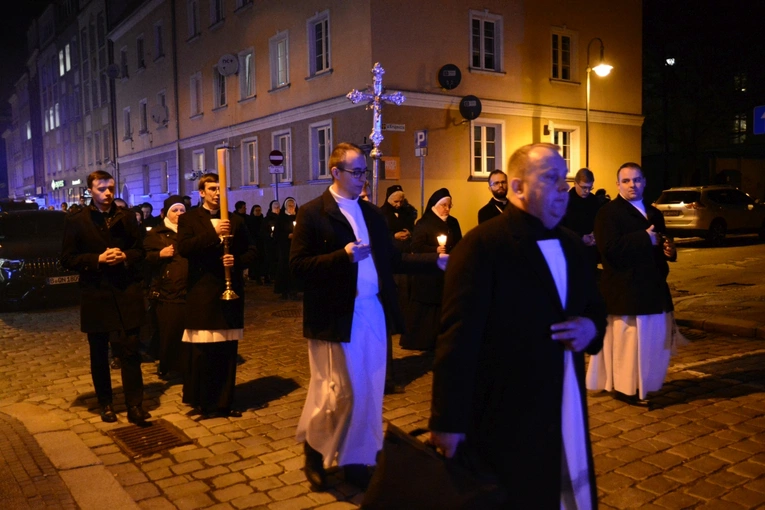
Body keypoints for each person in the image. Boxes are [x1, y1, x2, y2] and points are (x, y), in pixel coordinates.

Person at [429, 143, 606, 509]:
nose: (563, 188)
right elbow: (457, 338)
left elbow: (595, 308)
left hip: (565, 398)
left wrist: (591, 328)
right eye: (550, 178)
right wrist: (447, 421)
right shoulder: (482, 246)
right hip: (506, 413)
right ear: (518, 187)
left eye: (565, 179)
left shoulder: (573, 245)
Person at [290, 142, 447, 491]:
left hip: (371, 311)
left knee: (370, 390)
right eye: (357, 171)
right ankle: (315, 451)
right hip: (335, 317)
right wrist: (341, 256)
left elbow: (394, 260)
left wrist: (435, 263)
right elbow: (296, 267)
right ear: (336, 172)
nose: (364, 178)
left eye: (365, 171)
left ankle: (356, 458)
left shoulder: (372, 214)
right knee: (337, 392)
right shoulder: (314, 213)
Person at [61, 170, 149, 425]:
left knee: (131, 349)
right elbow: (67, 259)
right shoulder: (77, 220)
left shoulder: (127, 217)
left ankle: (135, 404)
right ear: (90, 190)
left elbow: (139, 251)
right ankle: (106, 403)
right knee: (99, 352)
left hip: (126, 291)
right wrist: (96, 259)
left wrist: (125, 256)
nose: (107, 193)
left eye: (110, 188)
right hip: (96, 293)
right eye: (101, 189)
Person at [586, 162, 678, 406]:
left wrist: (669, 249)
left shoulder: (654, 212)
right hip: (625, 289)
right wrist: (643, 238)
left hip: (653, 288)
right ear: (618, 184)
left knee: (651, 343)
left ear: (644, 182)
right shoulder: (608, 212)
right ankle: (624, 389)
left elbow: (661, 241)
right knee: (628, 345)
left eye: (636, 180)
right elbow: (608, 249)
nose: (632, 185)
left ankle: (645, 383)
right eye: (626, 181)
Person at [177, 173, 255, 418]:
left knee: (226, 350)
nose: (217, 192)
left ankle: (224, 402)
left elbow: (253, 250)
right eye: (211, 188)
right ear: (202, 192)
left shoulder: (236, 220)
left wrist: (238, 260)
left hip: (229, 291)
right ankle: (202, 401)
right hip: (202, 290)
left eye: (220, 188)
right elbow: (185, 248)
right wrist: (213, 233)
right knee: (203, 350)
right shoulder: (190, 219)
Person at [400, 188, 462, 351]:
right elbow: (416, 246)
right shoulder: (424, 223)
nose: (447, 209)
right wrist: (435, 250)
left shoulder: (453, 223)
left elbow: (459, 243)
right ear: (435, 206)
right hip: (428, 273)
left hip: (447, 271)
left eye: (449, 205)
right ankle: (423, 341)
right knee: (427, 309)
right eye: (443, 205)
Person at [144, 196, 188, 379]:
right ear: (166, 213)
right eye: (175, 210)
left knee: (186, 329)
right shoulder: (156, 233)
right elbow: (143, 258)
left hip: (188, 286)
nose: (179, 214)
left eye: (182, 210)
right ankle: (167, 364)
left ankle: (185, 364)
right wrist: (159, 254)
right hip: (167, 288)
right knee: (169, 329)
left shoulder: (189, 232)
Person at [379, 184, 418, 393]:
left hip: (404, 256)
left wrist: (408, 233)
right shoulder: (381, 214)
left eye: (401, 201)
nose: (399, 204)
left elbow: (411, 225)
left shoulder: (406, 211)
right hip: (390, 262)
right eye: (395, 201)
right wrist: (394, 237)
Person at [561, 168, 601, 267]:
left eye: (590, 188)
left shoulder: (594, 200)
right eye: (584, 187)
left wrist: (595, 234)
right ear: (575, 183)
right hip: (571, 251)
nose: (587, 191)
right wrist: (580, 237)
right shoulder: (564, 201)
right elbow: (561, 228)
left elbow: (599, 221)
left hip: (590, 252)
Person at [274, 197, 300, 299]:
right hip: (285, 248)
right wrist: (286, 236)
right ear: (285, 206)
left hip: (296, 247)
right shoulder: (281, 218)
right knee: (284, 268)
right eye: (289, 205)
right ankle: (284, 290)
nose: (291, 207)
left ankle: (294, 290)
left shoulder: (298, 217)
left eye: (293, 205)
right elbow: (276, 233)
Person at [261, 200, 280, 284]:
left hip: (279, 244)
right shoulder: (267, 219)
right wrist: (270, 235)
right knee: (270, 260)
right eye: (275, 207)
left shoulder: (282, 218)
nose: (277, 209)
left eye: (278, 207)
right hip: (270, 244)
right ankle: (270, 276)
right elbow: (263, 231)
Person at [248, 204, 265, 283]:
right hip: (255, 243)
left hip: (263, 243)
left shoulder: (263, 220)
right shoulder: (250, 220)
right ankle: (257, 277)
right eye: (256, 210)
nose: (258, 212)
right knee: (256, 261)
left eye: (259, 210)